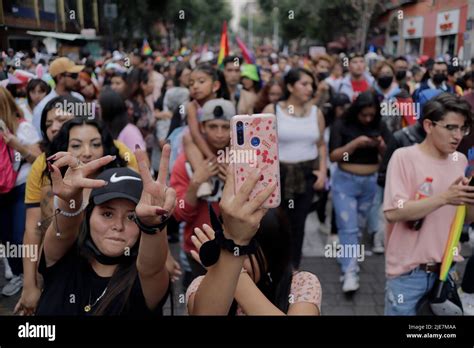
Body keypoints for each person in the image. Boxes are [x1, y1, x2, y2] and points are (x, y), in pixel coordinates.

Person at [15, 98, 139, 315]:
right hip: (60, 270)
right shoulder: (45, 171)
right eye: (76, 145)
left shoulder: (123, 172)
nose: (87, 152)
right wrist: (30, 284)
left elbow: (147, 222)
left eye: (95, 144)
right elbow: (33, 230)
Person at [32, 144, 175, 315]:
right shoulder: (64, 256)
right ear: (89, 215)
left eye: (131, 217)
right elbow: (63, 233)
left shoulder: (145, 281)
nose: (118, 226)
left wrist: (153, 225)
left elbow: (152, 268)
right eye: (107, 214)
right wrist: (70, 200)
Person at [383, 93, 474, 315]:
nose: (458, 135)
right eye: (451, 127)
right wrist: (445, 197)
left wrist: (469, 197)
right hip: (408, 274)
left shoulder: (459, 161)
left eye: (463, 129)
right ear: (428, 125)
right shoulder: (403, 157)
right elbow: (394, 212)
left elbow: (467, 218)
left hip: (447, 271)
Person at [186, 171, 321, 315]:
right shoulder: (201, 285)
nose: (238, 259)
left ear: (273, 251)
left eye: (246, 251)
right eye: (225, 246)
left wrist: (233, 258)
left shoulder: (301, 284)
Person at [262, 68, 327, 269]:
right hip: (278, 176)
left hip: (305, 176)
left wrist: (322, 170)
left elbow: (321, 144)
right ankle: (272, 267)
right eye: (304, 84)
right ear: (290, 86)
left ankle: (294, 268)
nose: (309, 88)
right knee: (275, 223)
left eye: (311, 84)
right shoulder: (272, 110)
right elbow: (261, 147)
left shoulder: (316, 113)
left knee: (298, 224)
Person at [329, 91, 392, 293]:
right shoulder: (342, 123)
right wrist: (355, 144)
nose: (367, 119)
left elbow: (390, 155)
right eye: (363, 114)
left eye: (371, 115)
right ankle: (350, 271)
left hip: (370, 183)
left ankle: (348, 258)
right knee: (348, 227)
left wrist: (380, 145)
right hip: (345, 181)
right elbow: (334, 156)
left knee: (357, 228)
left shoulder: (379, 124)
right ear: (356, 111)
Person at [170, 99, 235, 284]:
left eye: (225, 127)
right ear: (202, 127)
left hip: (238, 248)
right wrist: (196, 183)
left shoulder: (244, 159)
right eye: (213, 126)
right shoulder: (185, 162)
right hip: (199, 249)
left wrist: (235, 181)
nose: (220, 134)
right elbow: (179, 214)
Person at [0, 87, 42, 297]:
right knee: (6, 237)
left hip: (21, 187)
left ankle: (30, 278)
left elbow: (39, 159)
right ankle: (18, 274)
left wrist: (16, 145)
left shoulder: (23, 128)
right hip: (2, 189)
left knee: (19, 237)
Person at [32, 57, 85, 139]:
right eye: (74, 76)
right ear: (60, 77)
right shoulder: (42, 107)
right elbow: (40, 137)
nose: (78, 79)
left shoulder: (79, 98)